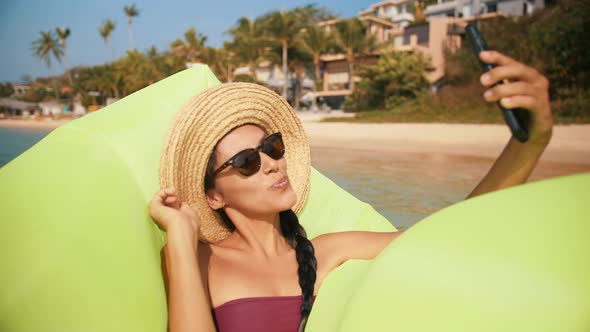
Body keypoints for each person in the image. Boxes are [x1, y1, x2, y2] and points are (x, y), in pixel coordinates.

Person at [149, 50, 553, 332]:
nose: (272, 162)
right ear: (215, 197)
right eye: (246, 162)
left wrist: (528, 144)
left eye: (271, 147)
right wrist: (181, 238)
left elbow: (447, 232)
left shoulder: (327, 252)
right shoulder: (195, 257)